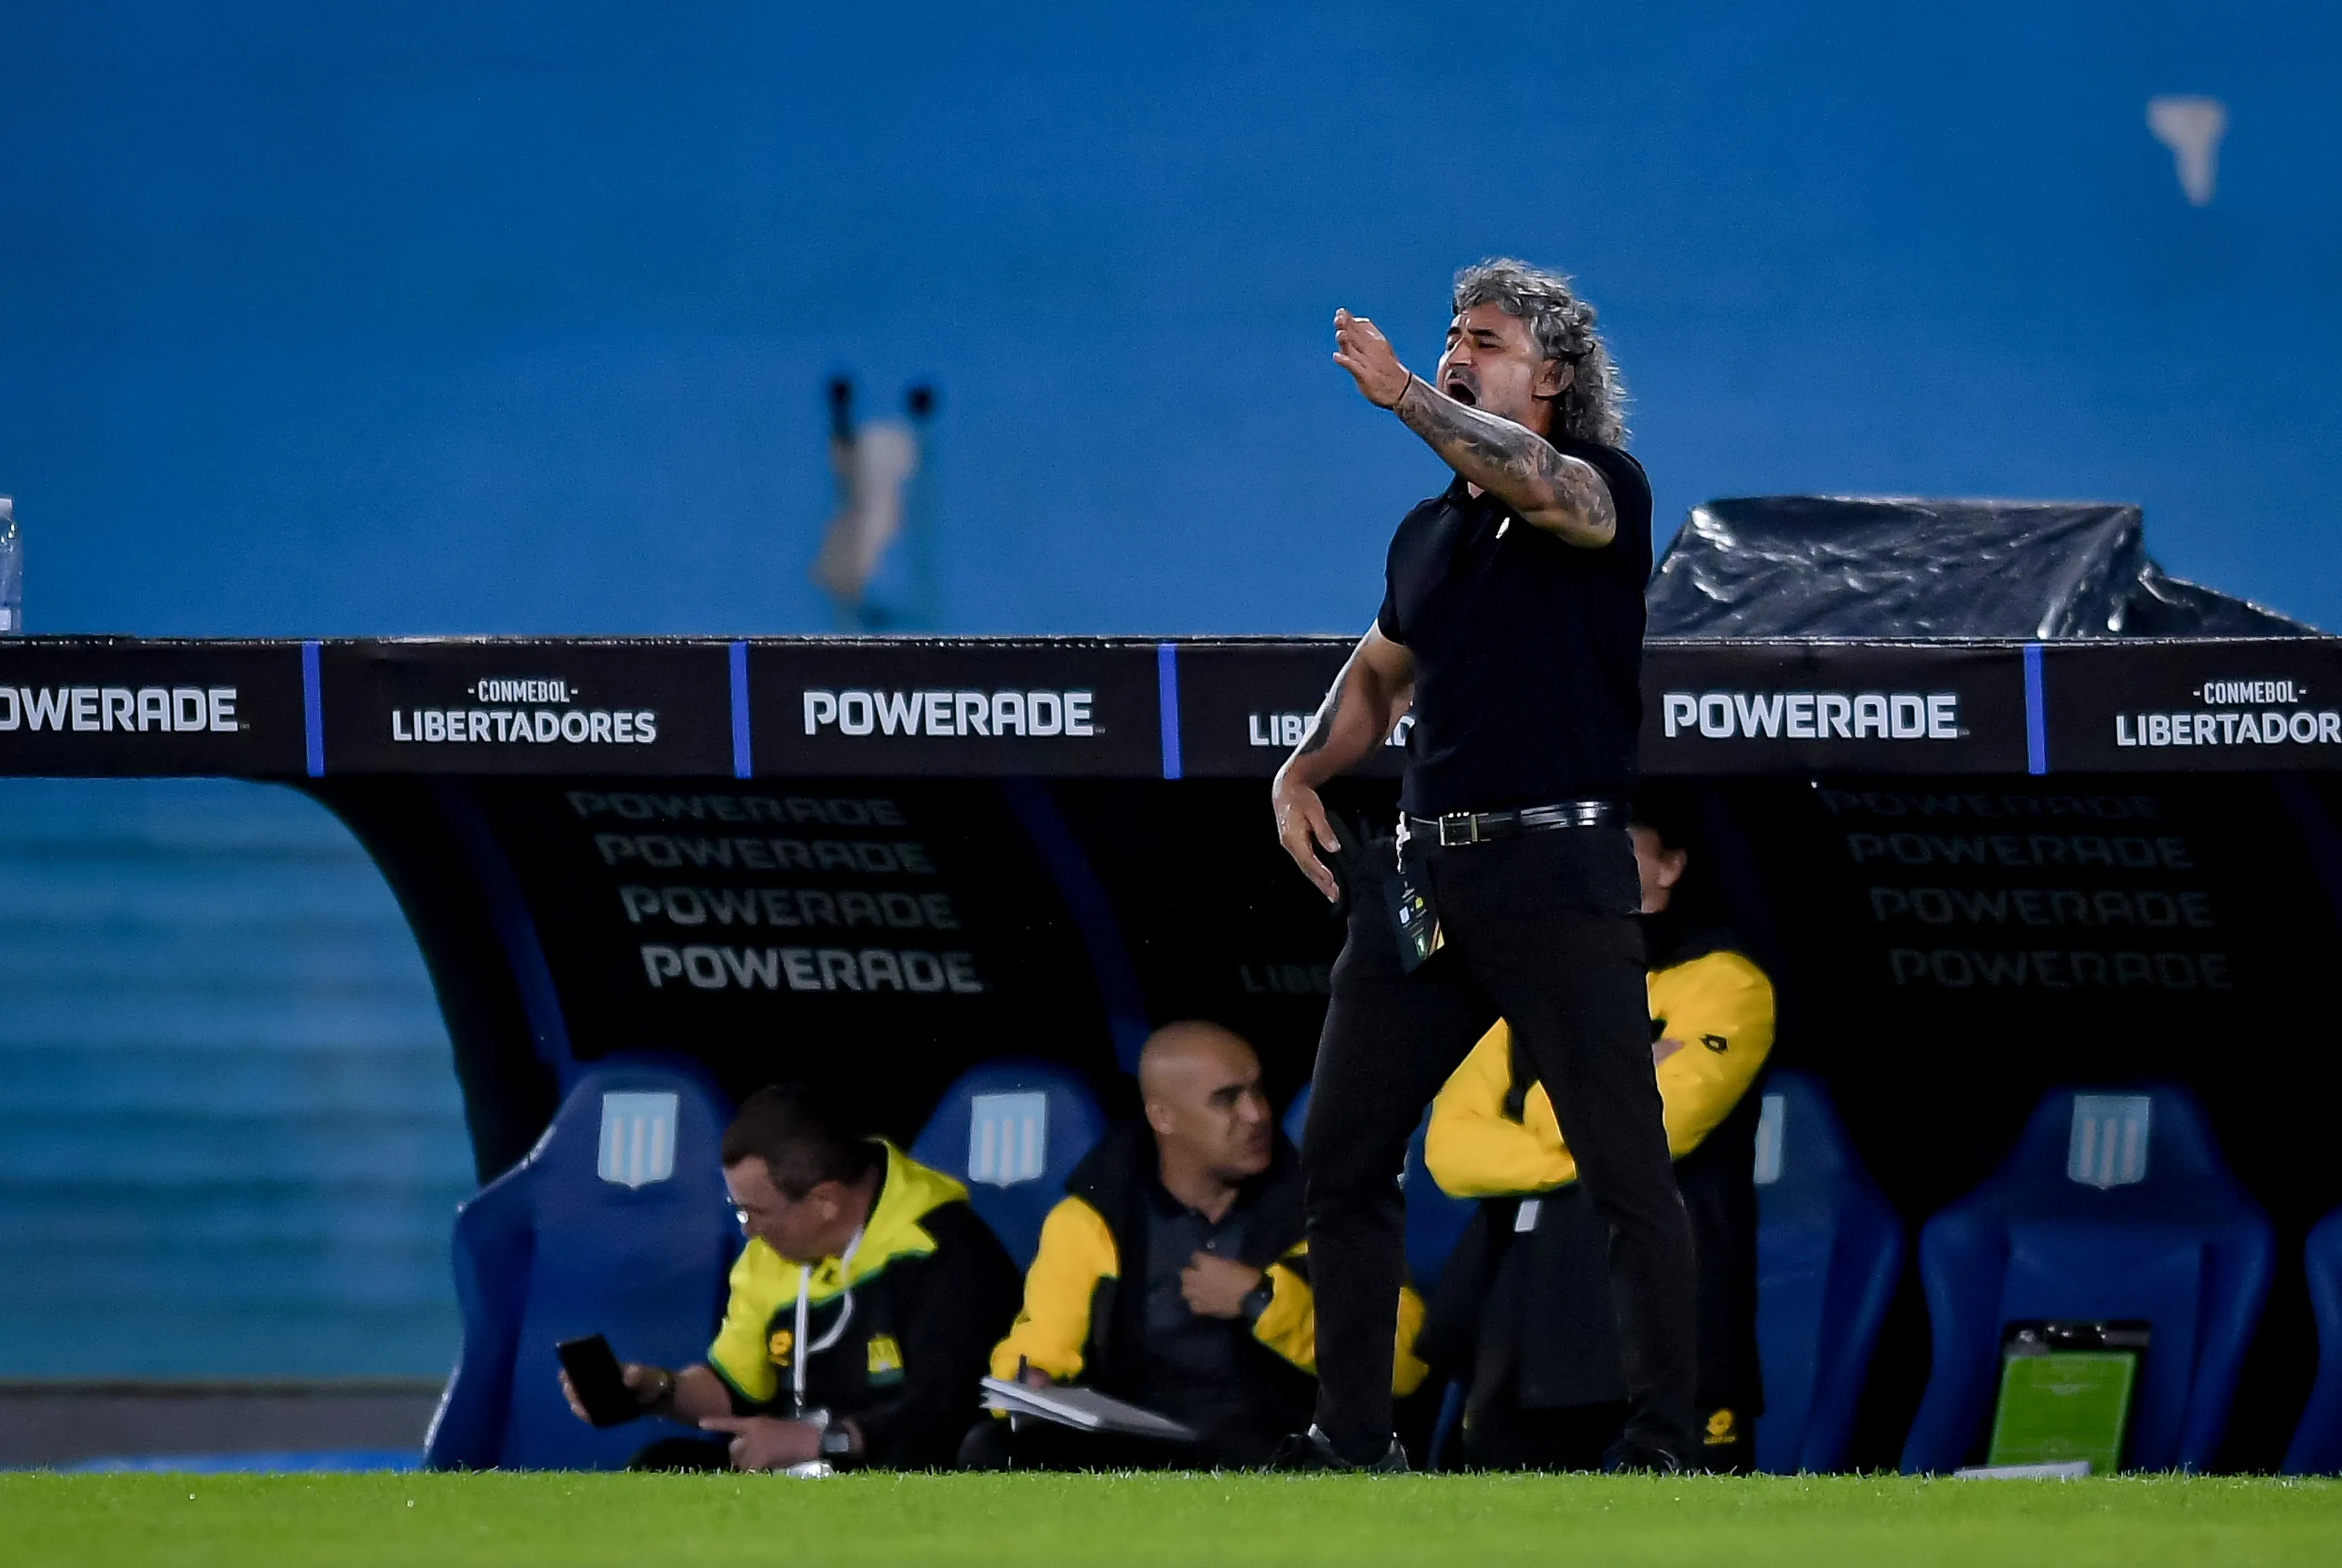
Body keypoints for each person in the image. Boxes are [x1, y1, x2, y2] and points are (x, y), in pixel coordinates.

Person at [1271, 258, 1698, 1472]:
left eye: (1487, 340)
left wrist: (1407, 393)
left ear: (1552, 374)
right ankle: (1355, 1440)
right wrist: (1300, 771)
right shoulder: (1430, 532)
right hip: (1426, 883)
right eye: (1451, 336)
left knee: (1624, 1169)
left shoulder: (1603, 486)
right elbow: (1377, 673)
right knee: (1342, 1156)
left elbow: (1543, 484)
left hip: (1555, 873)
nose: (1458, 351)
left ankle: (1664, 1444)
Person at [1420, 794, 1775, 1470]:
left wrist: (1533, 1104)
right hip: (1529, 1312)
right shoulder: (1530, 984)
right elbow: (1450, 1153)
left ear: (1670, 865)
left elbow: (1658, 1130)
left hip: (1669, 1302)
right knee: (1502, 1518)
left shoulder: (1725, 980)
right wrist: (1603, 1091)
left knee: (1687, 1522)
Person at [960, 1022, 1429, 1470]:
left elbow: (1403, 1364)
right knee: (991, 1447)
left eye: (1258, 1092)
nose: (1257, 1115)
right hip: (1135, 1447)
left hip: (1277, 1445)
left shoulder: (1326, 1214)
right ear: (1163, 1117)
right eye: (1227, 1100)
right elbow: (1042, 1339)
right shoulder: (1092, 1220)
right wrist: (1029, 1381)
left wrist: (1262, 1301)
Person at [560, 1081, 1020, 1470]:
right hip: (797, 1473)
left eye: (755, 1212)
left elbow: (946, 1414)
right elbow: (735, 1389)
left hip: (897, 1473)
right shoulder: (769, 1255)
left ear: (825, 1202)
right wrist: (659, 1391)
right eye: (739, 1211)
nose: (748, 1230)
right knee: (661, 1464)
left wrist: (822, 1442)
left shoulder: (943, 1251)